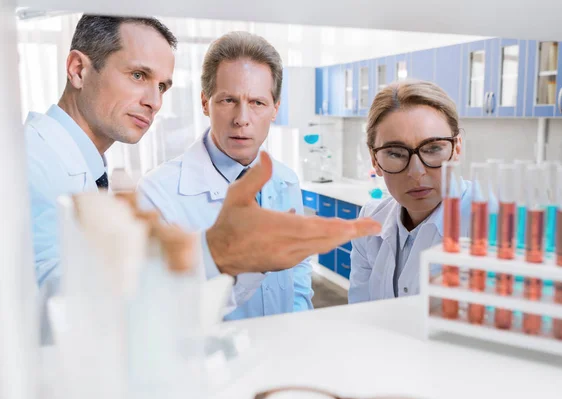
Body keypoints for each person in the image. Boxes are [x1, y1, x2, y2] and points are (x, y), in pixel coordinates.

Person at [25, 15, 380, 343]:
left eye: (162, 86)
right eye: (138, 75)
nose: (153, 101)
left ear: (275, 107)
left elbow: (296, 277)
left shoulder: (80, 166)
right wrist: (216, 254)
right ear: (77, 69)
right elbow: (55, 313)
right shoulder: (30, 163)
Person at [137, 31, 312, 319]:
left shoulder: (286, 180)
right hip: (208, 359)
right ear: (205, 103)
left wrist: (298, 322)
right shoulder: (159, 193)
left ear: (275, 110)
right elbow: (164, 310)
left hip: (283, 352)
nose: (242, 118)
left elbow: (299, 268)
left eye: (257, 102)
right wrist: (255, 263)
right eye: (228, 100)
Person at [348, 80, 471, 303]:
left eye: (433, 149)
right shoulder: (370, 220)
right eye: (396, 153)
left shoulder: (493, 225)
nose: (416, 172)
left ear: (457, 149)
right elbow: (360, 314)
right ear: (374, 159)